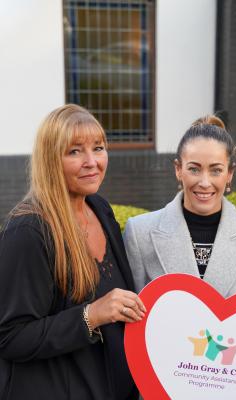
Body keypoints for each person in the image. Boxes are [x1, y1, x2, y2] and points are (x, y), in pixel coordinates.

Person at [0, 104, 145, 400]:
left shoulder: (100, 208)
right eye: (75, 151)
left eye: (98, 148)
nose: (92, 162)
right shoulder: (28, 231)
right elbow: (10, 337)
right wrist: (90, 316)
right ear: (51, 160)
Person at [123, 115, 236, 297]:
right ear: (178, 169)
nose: (205, 182)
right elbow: (133, 317)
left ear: (229, 174)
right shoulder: (139, 232)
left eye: (216, 170)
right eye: (194, 169)